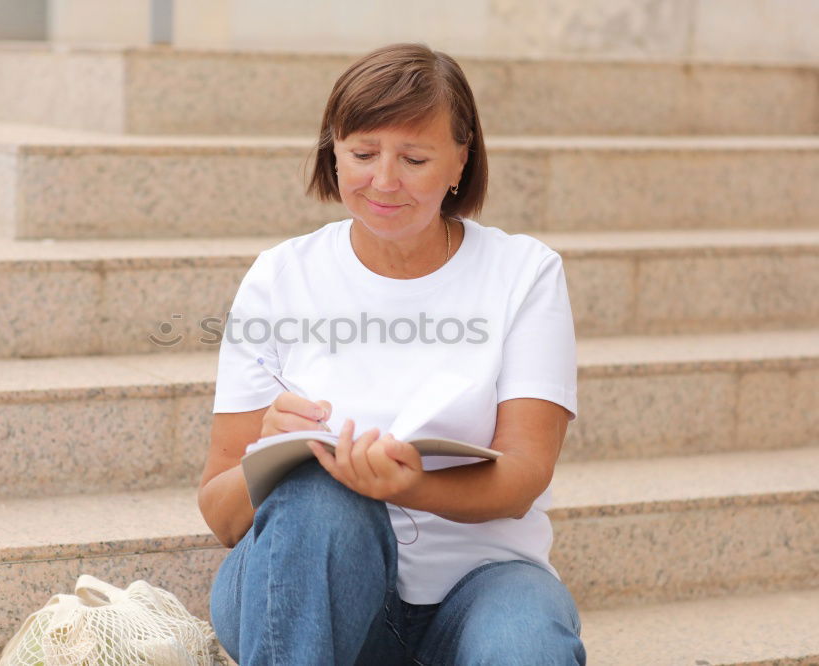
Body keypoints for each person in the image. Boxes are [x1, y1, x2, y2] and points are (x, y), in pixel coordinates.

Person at [198, 43, 586, 665]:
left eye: (414, 158)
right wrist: (264, 459)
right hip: (309, 592)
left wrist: (407, 487)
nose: (383, 180)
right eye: (362, 153)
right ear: (334, 152)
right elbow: (221, 518)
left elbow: (521, 479)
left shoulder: (523, 273)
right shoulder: (280, 278)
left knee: (526, 644)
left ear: (461, 160)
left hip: (482, 582)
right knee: (320, 498)